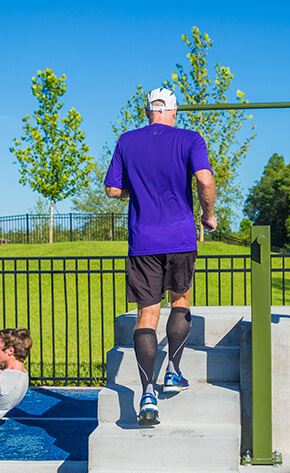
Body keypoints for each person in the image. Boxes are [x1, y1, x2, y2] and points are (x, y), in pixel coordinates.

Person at [104, 87, 216, 426]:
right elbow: (204, 179)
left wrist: (136, 190)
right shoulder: (190, 139)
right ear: (174, 110)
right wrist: (208, 214)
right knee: (180, 301)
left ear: (148, 110)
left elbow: (111, 189)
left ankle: (147, 394)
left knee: (146, 315)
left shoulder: (127, 140)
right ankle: (174, 370)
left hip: (143, 240)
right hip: (180, 237)